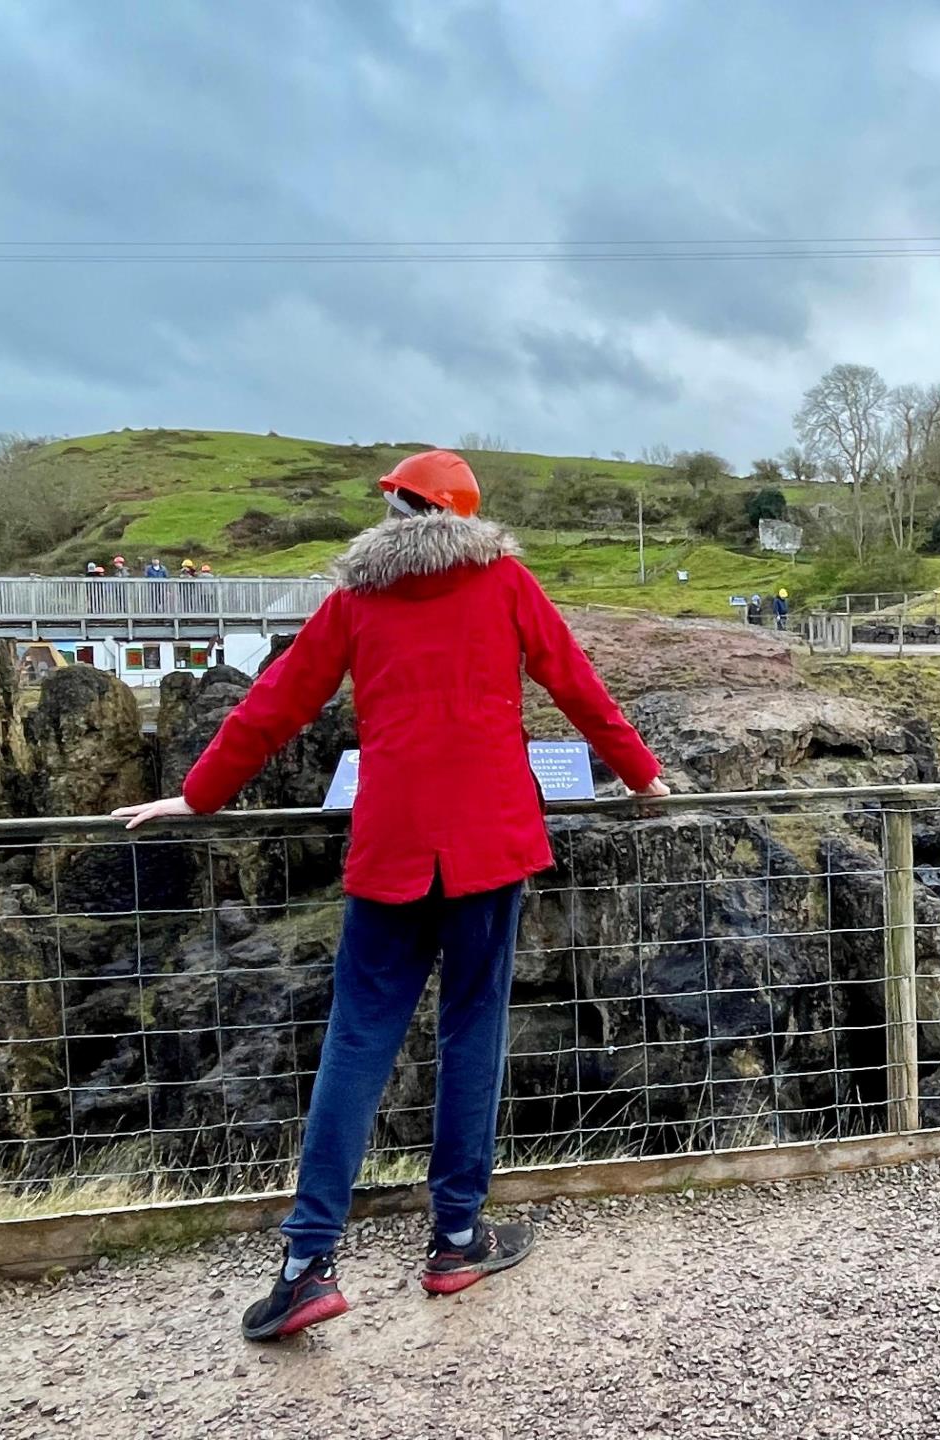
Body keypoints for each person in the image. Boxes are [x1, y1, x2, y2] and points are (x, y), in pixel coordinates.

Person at [111, 449, 669, 1342]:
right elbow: (576, 683)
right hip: (489, 843)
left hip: (392, 846)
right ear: (465, 515)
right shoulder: (506, 585)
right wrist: (642, 774)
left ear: (404, 512)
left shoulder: (353, 601)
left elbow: (274, 704)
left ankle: (306, 1264)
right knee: (472, 1030)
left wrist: (200, 794)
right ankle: (455, 1238)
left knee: (357, 1041)